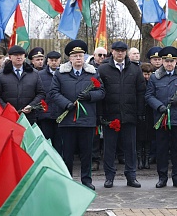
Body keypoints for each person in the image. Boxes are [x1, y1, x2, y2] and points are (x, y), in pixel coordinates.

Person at [50, 40, 105, 190]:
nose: (78, 58)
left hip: (87, 120)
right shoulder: (60, 74)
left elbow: (101, 92)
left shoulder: (93, 72)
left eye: (81, 55)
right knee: (67, 153)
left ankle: (86, 180)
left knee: (86, 152)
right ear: (70, 58)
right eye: (75, 56)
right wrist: (66, 104)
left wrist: (89, 96)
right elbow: (53, 92)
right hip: (67, 119)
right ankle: (68, 179)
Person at [145, 46, 177, 189]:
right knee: (161, 150)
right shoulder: (155, 77)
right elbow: (149, 95)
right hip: (161, 119)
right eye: (166, 61)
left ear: (176, 61)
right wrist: (159, 106)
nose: (169, 64)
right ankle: (162, 177)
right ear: (162, 61)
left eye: (172, 61)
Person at [98, 41, 146, 188]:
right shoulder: (103, 69)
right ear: (112, 52)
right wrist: (100, 115)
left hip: (129, 115)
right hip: (110, 116)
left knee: (130, 148)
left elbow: (141, 92)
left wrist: (140, 113)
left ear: (126, 52)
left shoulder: (135, 69)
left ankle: (131, 176)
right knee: (109, 149)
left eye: (123, 51)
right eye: (117, 50)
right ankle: (109, 177)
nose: (120, 53)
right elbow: (100, 92)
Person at [0, 45, 45, 124]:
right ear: (10, 57)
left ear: (24, 57)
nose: (19, 57)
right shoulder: (1, 74)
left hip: (28, 117)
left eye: (21, 55)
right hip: (8, 117)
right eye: (16, 55)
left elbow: (41, 93)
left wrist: (31, 106)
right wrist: (7, 108)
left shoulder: (34, 73)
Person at [37, 51, 62, 155]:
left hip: (61, 114)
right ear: (47, 61)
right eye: (52, 60)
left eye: (56, 60)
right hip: (45, 115)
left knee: (59, 143)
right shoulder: (39, 75)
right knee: (46, 142)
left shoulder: (63, 73)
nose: (54, 63)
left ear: (60, 61)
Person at [137, 63, 155, 169]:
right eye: (145, 74)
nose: (147, 77)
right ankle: (139, 159)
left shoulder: (152, 84)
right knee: (139, 139)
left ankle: (147, 159)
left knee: (148, 138)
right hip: (139, 113)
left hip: (150, 113)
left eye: (149, 74)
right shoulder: (138, 84)